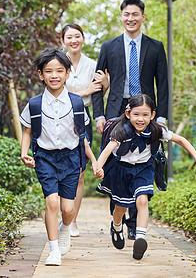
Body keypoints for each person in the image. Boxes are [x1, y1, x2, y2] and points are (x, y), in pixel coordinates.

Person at [92, 0, 169, 240]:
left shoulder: (155, 47)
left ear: (143, 17)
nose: (130, 18)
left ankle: (134, 224)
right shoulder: (108, 47)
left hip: (145, 112)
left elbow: (163, 84)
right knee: (114, 164)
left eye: (135, 14)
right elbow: (97, 85)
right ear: (121, 16)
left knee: (141, 163)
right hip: (116, 110)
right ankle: (117, 217)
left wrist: (163, 117)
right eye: (126, 14)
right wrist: (99, 115)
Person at [96, 94, 196, 260]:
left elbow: (181, 140)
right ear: (128, 114)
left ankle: (140, 238)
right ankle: (116, 226)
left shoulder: (156, 130)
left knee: (142, 201)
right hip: (121, 170)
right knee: (120, 208)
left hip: (143, 169)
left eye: (145, 115)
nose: (140, 119)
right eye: (136, 114)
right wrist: (98, 167)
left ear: (152, 115)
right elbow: (106, 151)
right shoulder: (122, 130)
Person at [20, 48, 103, 266]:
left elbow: (82, 136)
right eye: (48, 71)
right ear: (41, 74)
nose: (54, 75)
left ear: (67, 73)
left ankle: (65, 227)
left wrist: (93, 160)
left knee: (68, 209)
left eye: (59, 71)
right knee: (52, 202)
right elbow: (27, 130)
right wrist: (24, 153)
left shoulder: (76, 103)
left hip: (71, 159)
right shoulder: (34, 104)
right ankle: (53, 249)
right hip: (45, 158)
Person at [61, 23, 109, 237]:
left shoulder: (92, 63)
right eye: (69, 37)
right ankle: (61, 214)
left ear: (83, 39)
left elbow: (97, 93)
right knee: (62, 171)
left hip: (83, 118)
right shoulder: (57, 62)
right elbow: (57, 92)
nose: (74, 40)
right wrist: (84, 91)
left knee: (80, 173)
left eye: (77, 36)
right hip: (59, 118)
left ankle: (72, 221)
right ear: (63, 40)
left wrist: (104, 84)